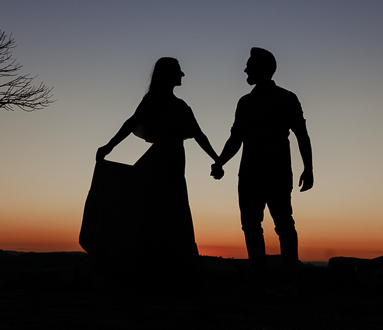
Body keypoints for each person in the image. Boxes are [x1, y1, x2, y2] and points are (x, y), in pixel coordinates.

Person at [93, 57, 220, 268]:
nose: (182, 75)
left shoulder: (178, 106)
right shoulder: (157, 102)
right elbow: (131, 123)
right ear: (168, 75)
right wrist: (109, 146)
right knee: (161, 209)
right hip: (165, 160)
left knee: (166, 209)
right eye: (178, 71)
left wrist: (217, 159)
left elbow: (199, 135)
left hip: (171, 161)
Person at [211, 48, 313, 281]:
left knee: (283, 224)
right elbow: (236, 138)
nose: (245, 69)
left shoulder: (287, 98)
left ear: (264, 69)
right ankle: (260, 275)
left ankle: (289, 276)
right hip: (250, 174)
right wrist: (220, 162)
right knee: (252, 225)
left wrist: (309, 168)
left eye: (250, 66)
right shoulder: (245, 102)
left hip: (273, 173)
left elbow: (302, 135)